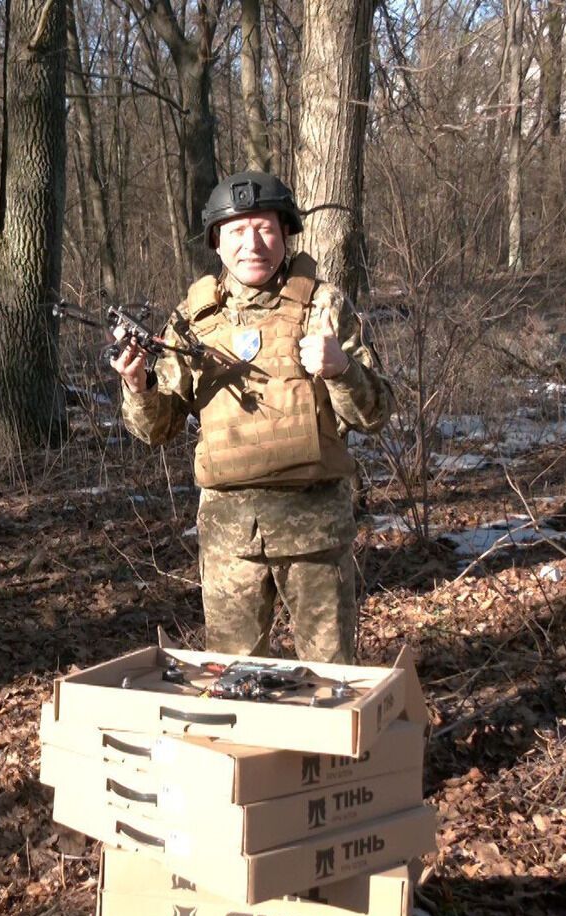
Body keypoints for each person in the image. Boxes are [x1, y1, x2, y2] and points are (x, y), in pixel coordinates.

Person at [109, 171, 393, 664]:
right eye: (237, 231)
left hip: (314, 533)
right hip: (229, 537)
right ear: (217, 242)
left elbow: (374, 414)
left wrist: (340, 369)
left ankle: (325, 747)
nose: (252, 244)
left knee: (332, 683)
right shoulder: (193, 318)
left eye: (264, 228)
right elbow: (160, 427)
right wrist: (139, 387)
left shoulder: (323, 306)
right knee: (233, 681)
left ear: (285, 233)